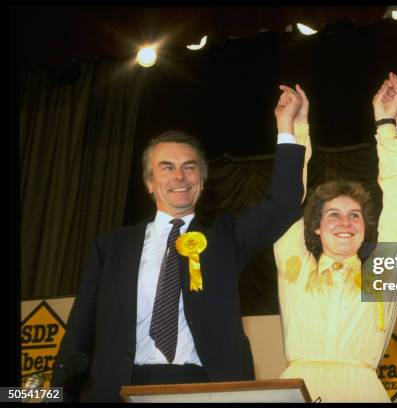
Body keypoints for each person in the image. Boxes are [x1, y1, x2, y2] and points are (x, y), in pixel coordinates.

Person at [52, 86, 307, 402]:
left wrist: (286, 127)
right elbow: (81, 329)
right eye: (167, 167)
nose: (180, 177)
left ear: (201, 180)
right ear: (149, 182)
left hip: (204, 387)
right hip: (121, 387)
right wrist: (57, 393)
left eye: (189, 167)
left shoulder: (226, 239)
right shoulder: (111, 247)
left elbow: (283, 204)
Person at [273, 73, 397, 402]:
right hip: (298, 392)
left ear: (366, 229)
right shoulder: (295, 267)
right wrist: (295, 127)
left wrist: (385, 123)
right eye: (333, 214)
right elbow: (286, 197)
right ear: (316, 227)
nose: (345, 222)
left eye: (355, 216)